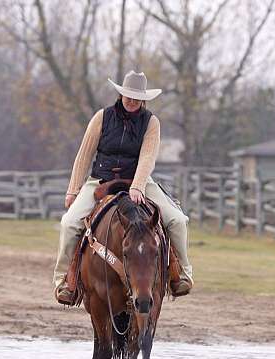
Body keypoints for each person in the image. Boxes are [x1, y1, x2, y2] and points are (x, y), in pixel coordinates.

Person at [53, 70, 193, 304]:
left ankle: (181, 275)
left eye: (137, 97)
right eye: (128, 96)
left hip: (138, 180)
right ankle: (65, 281)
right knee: (69, 224)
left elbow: (148, 157)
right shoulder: (102, 117)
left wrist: (138, 186)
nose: (132, 100)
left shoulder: (151, 123)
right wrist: (73, 190)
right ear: (120, 95)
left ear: (144, 99)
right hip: (100, 180)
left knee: (177, 220)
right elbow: (84, 155)